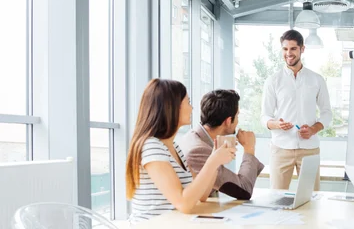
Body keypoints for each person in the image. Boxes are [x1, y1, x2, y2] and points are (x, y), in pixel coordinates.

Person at [125, 79, 236, 223]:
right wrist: (212, 161)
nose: (191, 108)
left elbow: (202, 195)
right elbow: (183, 203)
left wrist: (215, 160)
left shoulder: (173, 147)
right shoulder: (152, 147)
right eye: (188, 102)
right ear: (171, 107)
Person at [261, 29, 332, 190]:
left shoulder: (317, 79)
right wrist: (276, 124)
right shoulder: (273, 81)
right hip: (280, 148)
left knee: (311, 200)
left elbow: (327, 113)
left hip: (309, 150)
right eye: (285, 49)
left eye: (293, 48)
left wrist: (314, 129)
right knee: (277, 199)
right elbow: (264, 116)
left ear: (302, 49)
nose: (289, 53)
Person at [178, 89, 264, 200]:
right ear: (228, 121)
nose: (237, 121)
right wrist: (249, 148)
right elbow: (244, 190)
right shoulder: (199, 150)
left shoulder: (193, 136)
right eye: (237, 116)